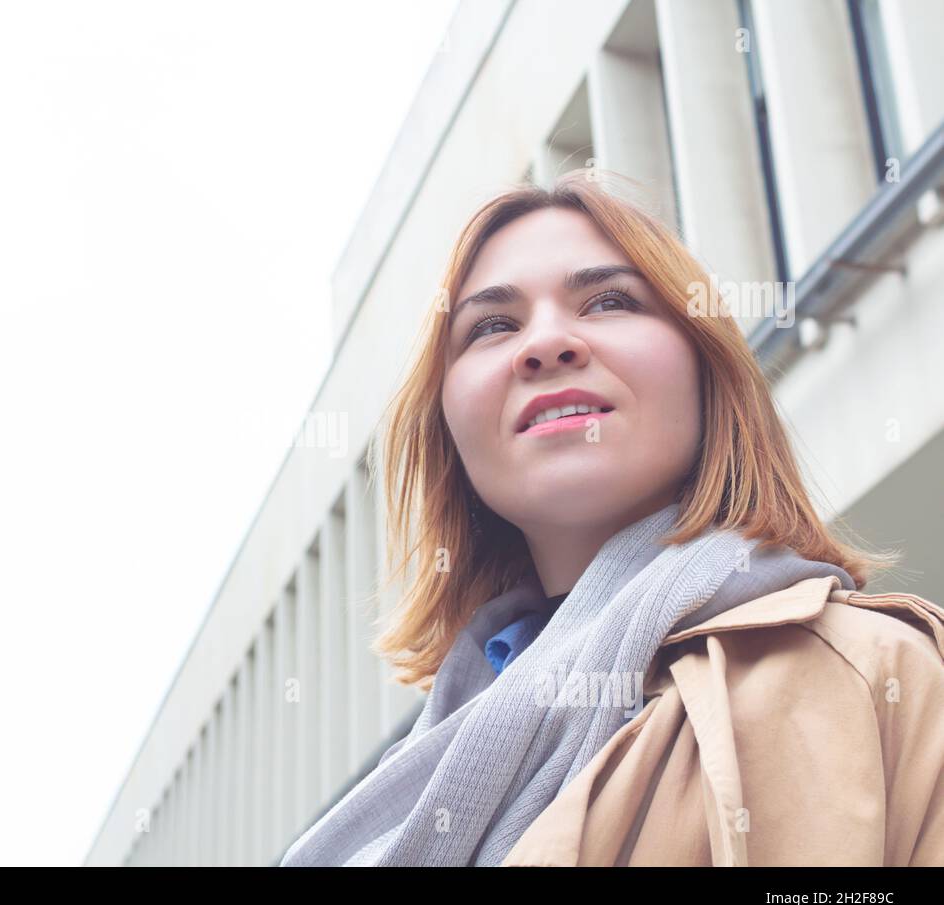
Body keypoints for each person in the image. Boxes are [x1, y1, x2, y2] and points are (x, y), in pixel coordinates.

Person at [279, 171, 944, 867]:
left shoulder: (873, 671)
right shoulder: (411, 772)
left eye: (608, 301)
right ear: (448, 429)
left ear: (705, 369)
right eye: (494, 326)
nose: (546, 344)